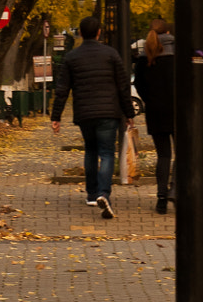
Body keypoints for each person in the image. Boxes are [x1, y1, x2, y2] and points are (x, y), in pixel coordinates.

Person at [50, 13, 132, 219]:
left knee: (90, 151)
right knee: (106, 153)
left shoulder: (71, 57)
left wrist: (56, 116)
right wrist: (129, 113)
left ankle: (91, 194)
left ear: (80, 33)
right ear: (98, 32)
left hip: (85, 113)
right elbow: (123, 86)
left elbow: (62, 88)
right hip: (108, 113)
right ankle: (104, 193)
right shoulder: (111, 54)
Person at [133, 17, 176, 214]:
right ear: (167, 33)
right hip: (177, 110)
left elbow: (139, 85)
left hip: (155, 111)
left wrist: (150, 100)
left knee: (163, 155)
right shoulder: (176, 54)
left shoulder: (145, 57)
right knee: (182, 153)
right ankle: (174, 189)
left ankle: (161, 197)